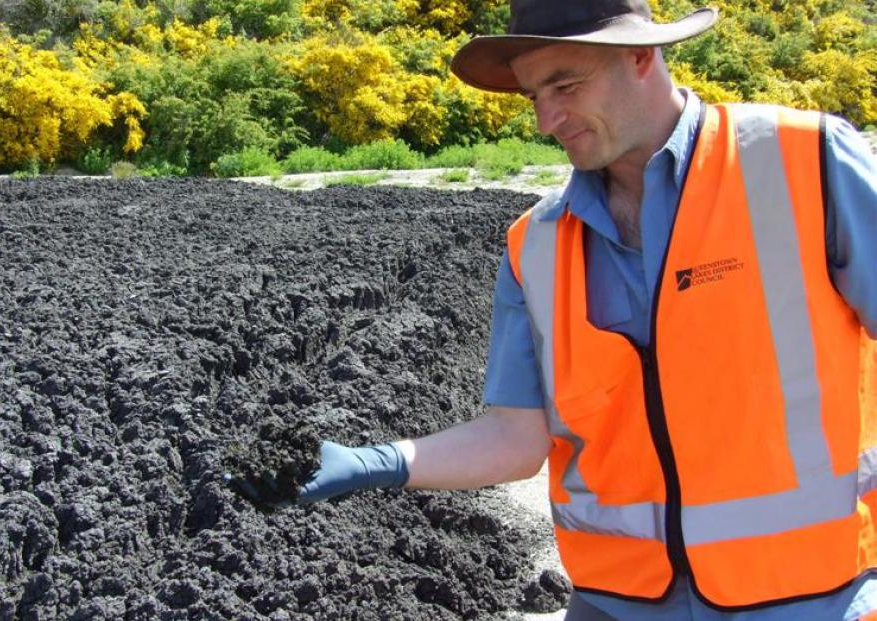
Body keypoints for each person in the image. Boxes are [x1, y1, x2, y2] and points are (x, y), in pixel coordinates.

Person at [242, 1, 877, 618]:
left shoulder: (805, 164)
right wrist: (377, 461)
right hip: (617, 602)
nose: (547, 119)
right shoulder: (537, 246)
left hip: (810, 596)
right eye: (533, 97)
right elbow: (516, 439)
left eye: (565, 84)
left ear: (640, 54)